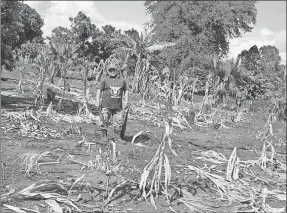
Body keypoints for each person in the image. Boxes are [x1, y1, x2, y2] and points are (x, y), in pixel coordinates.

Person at [95, 62, 129, 145]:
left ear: (117, 70)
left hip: (118, 106)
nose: (112, 71)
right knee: (104, 121)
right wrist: (97, 101)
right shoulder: (104, 80)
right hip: (106, 105)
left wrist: (126, 101)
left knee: (119, 122)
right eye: (110, 70)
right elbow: (99, 90)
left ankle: (118, 138)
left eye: (114, 69)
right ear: (107, 70)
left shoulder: (122, 80)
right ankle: (104, 137)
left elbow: (126, 91)